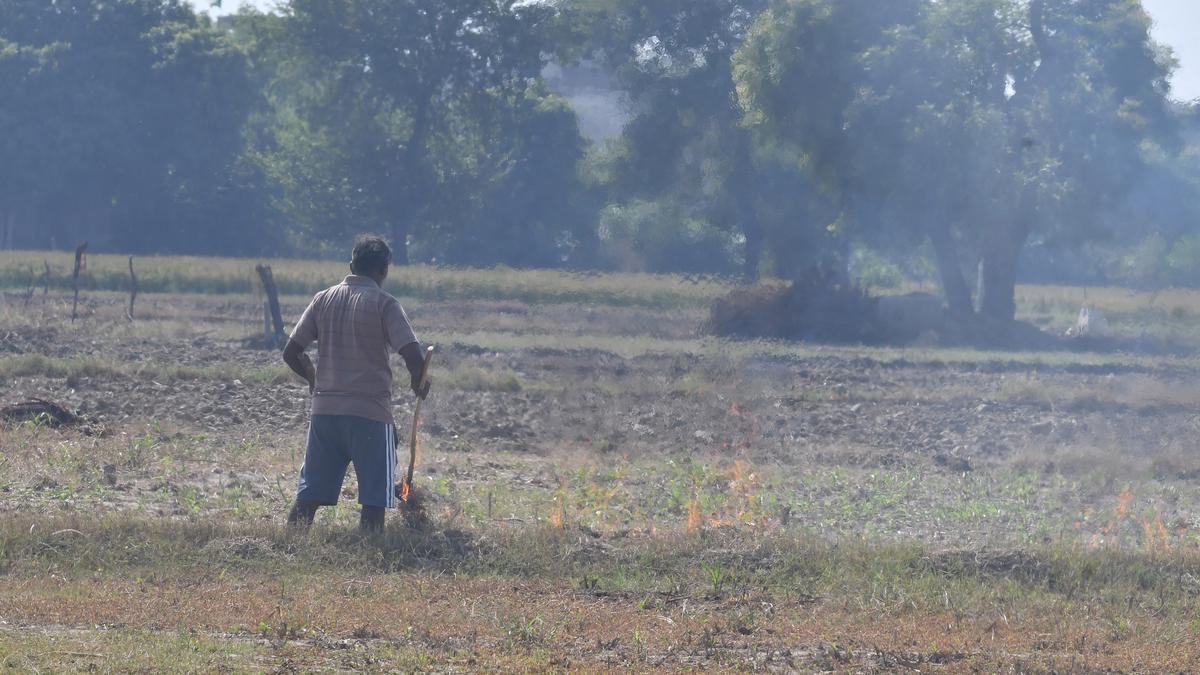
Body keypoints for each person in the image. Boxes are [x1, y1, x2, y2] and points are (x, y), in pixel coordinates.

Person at [282, 235, 429, 532]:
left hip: (325, 414)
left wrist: (312, 377)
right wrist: (419, 383)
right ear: (383, 271)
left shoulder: (323, 299)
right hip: (370, 416)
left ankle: (289, 546)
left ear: (351, 265)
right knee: (374, 500)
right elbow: (414, 355)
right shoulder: (385, 304)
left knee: (308, 497)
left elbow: (291, 352)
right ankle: (369, 555)